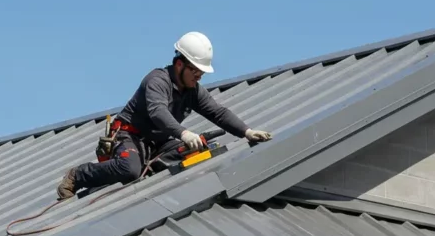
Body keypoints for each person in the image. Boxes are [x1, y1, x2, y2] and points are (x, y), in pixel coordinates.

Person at [56, 31, 273, 200]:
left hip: (158, 144)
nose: (199, 77)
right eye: (195, 71)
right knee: (130, 170)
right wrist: (184, 133)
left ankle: (149, 164)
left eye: (201, 73)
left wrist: (247, 132)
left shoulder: (193, 91)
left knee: (202, 148)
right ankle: (78, 175)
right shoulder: (157, 80)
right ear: (180, 64)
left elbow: (217, 112)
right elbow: (157, 112)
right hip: (129, 137)